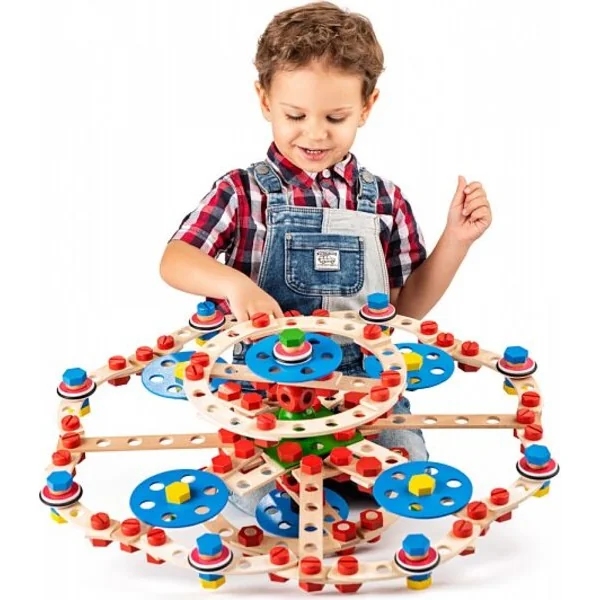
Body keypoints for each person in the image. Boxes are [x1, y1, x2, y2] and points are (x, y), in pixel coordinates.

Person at [159, 1, 492, 515]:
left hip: (363, 390)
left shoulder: (385, 200)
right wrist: (234, 284)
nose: (315, 134)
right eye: (295, 115)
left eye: (336, 117)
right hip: (263, 395)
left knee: (407, 472)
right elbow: (175, 259)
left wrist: (457, 239)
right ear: (264, 100)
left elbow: (406, 306)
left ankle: (336, 476)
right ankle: (297, 482)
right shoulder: (242, 192)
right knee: (249, 497)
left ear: (367, 106)